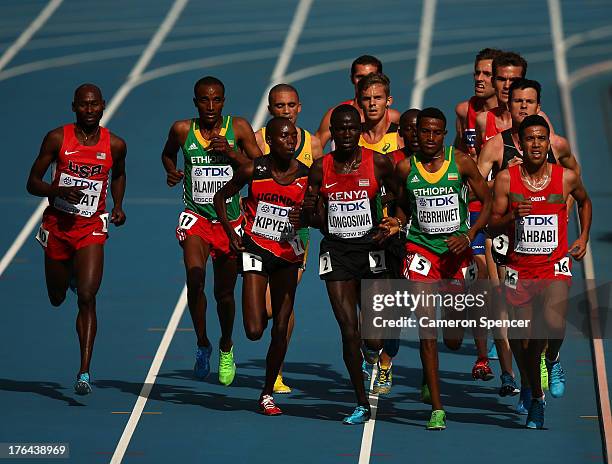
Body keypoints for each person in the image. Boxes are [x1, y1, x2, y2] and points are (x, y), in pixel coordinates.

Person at [478, 79, 581, 407]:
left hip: (549, 250)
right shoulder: (496, 146)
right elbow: (475, 189)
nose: (522, 107)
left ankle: (551, 358)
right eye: (517, 101)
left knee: (548, 319)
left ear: (539, 107)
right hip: (507, 246)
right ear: (509, 105)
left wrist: (563, 217)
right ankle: (524, 382)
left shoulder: (558, 145)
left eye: (529, 102)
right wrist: (498, 184)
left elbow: (575, 186)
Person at [489, 114, 591, 429]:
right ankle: (535, 398)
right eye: (530, 139)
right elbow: (491, 224)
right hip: (518, 268)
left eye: (541, 139)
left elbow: (585, 203)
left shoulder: (566, 178)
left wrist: (583, 237)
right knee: (523, 341)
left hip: (555, 264)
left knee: (554, 325)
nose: (536, 144)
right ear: (520, 142)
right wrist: (510, 218)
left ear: (548, 143)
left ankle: (552, 360)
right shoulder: (507, 179)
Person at [394, 107, 492, 430]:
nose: (431, 138)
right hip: (421, 252)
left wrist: (469, 235)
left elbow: (488, 201)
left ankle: (432, 378)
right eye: (425, 132)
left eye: (437, 132)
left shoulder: (460, 162)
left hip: (455, 255)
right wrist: (396, 222)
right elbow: (401, 205)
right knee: (427, 333)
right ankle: (437, 408)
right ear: (415, 134)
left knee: (451, 339)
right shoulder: (406, 167)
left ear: (445, 134)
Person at [26, 83, 127, 395]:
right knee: (57, 298)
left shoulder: (115, 145)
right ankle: (69, 273)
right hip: (58, 226)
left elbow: (119, 174)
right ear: (74, 107)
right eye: (83, 105)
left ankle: (84, 371)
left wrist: (118, 205)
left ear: (103, 106)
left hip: (91, 226)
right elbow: (32, 182)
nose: (89, 110)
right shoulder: (58, 138)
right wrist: (58, 191)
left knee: (87, 296)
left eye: (94, 104)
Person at [161, 76, 262, 386]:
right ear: (195, 102)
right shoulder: (182, 130)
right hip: (197, 218)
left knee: (224, 295)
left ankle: (226, 345)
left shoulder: (239, 128)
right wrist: (172, 171)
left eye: (216, 99)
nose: (210, 106)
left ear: (223, 101)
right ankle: (203, 343)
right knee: (194, 277)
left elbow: (261, 168)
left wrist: (232, 154)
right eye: (204, 100)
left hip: (230, 222)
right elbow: (167, 153)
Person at [304, 104, 400, 425]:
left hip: (372, 251)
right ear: (332, 132)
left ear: (359, 131)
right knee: (349, 333)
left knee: (373, 339)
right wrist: (311, 213)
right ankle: (361, 402)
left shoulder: (380, 163)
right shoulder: (320, 168)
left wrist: (394, 221)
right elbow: (312, 212)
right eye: (339, 129)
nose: (345, 134)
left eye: (351, 128)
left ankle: (373, 355)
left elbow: (402, 201)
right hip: (337, 254)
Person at [214, 117, 308, 415]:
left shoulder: (306, 176)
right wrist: (231, 233)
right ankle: (248, 331)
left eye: (293, 136)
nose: (290, 141)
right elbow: (220, 198)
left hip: (288, 256)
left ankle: (267, 393)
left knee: (281, 327)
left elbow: (318, 213)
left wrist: (304, 218)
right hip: (255, 249)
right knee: (254, 330)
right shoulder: (253, 169)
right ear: (270, 140)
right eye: (283, 136)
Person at [254, 83, 322, 394]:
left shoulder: (313, 143)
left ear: (299, 107)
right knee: (265, 310)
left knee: (282, 302)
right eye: (279, 106)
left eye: (291, 105)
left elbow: (318, 191)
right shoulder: (258, 140)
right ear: (270, 110)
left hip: (295, 235)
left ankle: (277, 371)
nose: (286, 111)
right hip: (260, 234)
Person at [371, 108, 420, 395]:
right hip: (390, 242)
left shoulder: (436, 165)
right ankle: (372, 348)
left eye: (420, 129)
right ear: (400, 133)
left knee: (401, 308)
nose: (415, 135)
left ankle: (386, 364)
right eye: (409, 129)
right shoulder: (389, 163)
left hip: (420, 244)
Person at [315, 55, 401, 149]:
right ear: (352, 78)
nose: (365, 81)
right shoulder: (336, 115)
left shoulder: (393, 117)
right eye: (360, 77)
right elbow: (315, 149)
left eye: (371, 76)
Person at [454, 48, 502, 155]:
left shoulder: (511, 114)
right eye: (477, 73)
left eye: (487, 74)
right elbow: (459, 151)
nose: (479, 78)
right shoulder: (464, 111)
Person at [357, 73, 403, 155]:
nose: (372, 103)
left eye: (378, 98)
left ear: (388, 101)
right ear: (360, 103)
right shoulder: (353, 137)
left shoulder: (400, 136)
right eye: (366, 99)